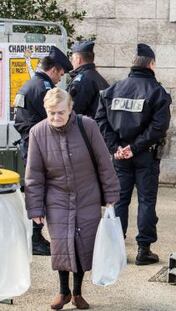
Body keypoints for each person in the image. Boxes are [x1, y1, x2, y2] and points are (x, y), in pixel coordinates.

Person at [25, 88, 120, 310]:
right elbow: (34, 175)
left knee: (82, 245)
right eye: (51, 113)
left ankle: (77, 292)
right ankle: (63, 291)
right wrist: (35, 208)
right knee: (61, 244)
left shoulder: (88, 126)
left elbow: (103, 164)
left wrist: (111, 195)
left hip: (87, 194)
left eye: (60, 112)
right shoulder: (37, 133)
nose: (55, 117)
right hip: (56, 197)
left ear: (70, 109)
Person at [96, 43, 171, 265]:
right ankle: (143, 250)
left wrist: (116, 147)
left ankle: (116, 248)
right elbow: (158, 127)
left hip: (120, 156)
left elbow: (100, 120)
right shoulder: (158, 92)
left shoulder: (114, 89)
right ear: (151, 64)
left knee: (119, 201)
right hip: (145, 155)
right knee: (147, 201)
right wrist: (135, 148)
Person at [13, 46, 73, 256]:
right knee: (40, 190)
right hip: (40, 146)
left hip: (28, 143)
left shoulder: (28, 85)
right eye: (61, 74)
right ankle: (35, 237)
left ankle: (33, 235)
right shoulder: (45, 89)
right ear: (55, 70)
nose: (60, 80)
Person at [67, 41, 109, 118]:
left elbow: (73, 111)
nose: (71, 62)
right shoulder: (98, 78)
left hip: (84, 128)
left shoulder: (82, 80)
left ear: (78, 59)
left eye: (72, 58)